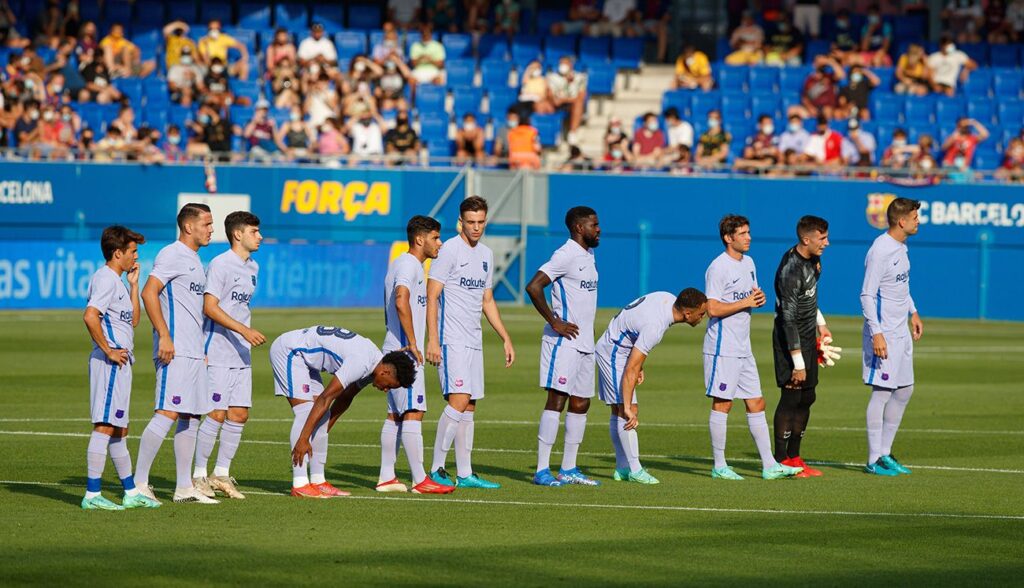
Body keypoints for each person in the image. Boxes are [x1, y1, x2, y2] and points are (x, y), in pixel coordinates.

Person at [424, 196, 516, 489]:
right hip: (452, 340)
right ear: (460, 222)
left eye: (481, 222)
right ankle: (436, 468)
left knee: (470, 406)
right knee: (459, 400)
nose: (476, 228)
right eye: (471, 222)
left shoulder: (486, 254)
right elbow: (432, 295)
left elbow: (486, 299)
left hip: (474, 340)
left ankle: (465, 474)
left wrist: (505, 337)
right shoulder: (449, 250)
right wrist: (433, 341)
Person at [704, 216, 803, 481]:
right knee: (723, 404)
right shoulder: (718, 267)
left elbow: (749, 296)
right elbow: (711, 308)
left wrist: (756, 298)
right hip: (723, 347)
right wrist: (745, 301)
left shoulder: (749, 263)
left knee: (757, 402)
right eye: (743, 233)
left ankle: (769, 465)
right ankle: (719, 465)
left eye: (749, 232)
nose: (749, 237)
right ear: (728, 237)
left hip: (743, 346)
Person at [134, 203, 217, 504]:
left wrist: (202, 348)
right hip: (175, 351)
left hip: (194, 352)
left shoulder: (195, 259)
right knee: (167, 412)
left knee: (191, 416)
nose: (211, 229)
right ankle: (139, 484)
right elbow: (148, 292)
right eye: (206, 223)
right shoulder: (171, 254)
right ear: (188, 226)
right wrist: (165, 336)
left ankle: (184, 487)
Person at [282, 326, 417, 497]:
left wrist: (323, 429)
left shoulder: (374, 364)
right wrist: (304, 439)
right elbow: (326, 398)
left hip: (306, 359)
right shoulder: (361, 363)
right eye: (389, 385)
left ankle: (318, 481)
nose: (386, 390)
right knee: (306, 412)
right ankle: (300, 483)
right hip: (291, 352)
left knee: (321, 416)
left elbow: (346, 397)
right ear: (386, 372)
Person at [81, 225, 161, 510]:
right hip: (109, 364)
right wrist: (108, 350)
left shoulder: (118, 281)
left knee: (119, 430)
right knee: (104, 427)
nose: (136, 257)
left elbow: (134, 321)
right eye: (132, 252)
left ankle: (129, 491)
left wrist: (134, 286)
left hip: (122, 364)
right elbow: (90, 316)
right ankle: (92, 495)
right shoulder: (104, 279)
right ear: (117, 253)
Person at [596, 288, 707, 483]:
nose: (702, 317)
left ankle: (622, 468)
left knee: (618, 409)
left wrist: (640, 365)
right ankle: (635, 470)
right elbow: (631, 368)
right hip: (614, 351)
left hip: (617, 346)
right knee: (627, 411)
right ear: (687, 313)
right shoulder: (655, 326)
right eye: (701, 313)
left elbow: (634, 324)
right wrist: (630, 406)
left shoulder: (667, 299)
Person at [525, 207, 602, 487]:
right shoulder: (565, 254)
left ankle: (568, 468)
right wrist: (554, 321)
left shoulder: (588, 254)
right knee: (557, 401)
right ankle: (542, 469)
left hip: (585, 343)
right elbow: (534, 286)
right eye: (594, 225)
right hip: (564, 342)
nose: (599, 229)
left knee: (581, 402)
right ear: (579, 228)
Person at [376, 216, 453, 495]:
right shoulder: (408, 264)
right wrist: (412, 342)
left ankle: (386, 476)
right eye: (435, 237)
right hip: (402, 351)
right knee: (413, 412)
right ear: (420, 239)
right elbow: (400, 299)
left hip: (394, 348)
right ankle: (420, 479)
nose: (439, 243)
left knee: (395, 415)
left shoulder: (404, 264)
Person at [190, 212, 265, 501]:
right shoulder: (221, 264)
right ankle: (198, 475)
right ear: (238, 234)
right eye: (254, 231)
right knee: (216, 413)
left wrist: (243, 335)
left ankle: (221, 473)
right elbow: (209, 307)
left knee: (239, 414)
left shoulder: (253, 266)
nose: (259, 236)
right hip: (218, 349)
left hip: (240, 353)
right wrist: (243, 330)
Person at [861, 198, 924, 476]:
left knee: (905, 390)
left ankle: (886, 453)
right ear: (901, 221)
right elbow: (867, 294)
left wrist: (914, 312)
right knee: (883, 392)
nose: (918, 220)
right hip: (884, 333)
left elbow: (900, 285)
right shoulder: (881, 250)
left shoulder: (901, 247)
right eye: (914, 216)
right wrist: (877, 333)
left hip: (901, 331)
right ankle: (873, 458)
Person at [772, 215, 834, 477]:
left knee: (808, 396)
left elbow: (809, 298)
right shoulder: (791, 270)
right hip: (790, 339)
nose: (827, 243)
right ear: (806, 239)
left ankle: (795, 457)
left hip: (809, 337)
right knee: (791, 397)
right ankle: (780, 459)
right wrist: (797, 363)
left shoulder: (814, 260)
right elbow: (788, 318)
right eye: (822, 239)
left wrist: (821, 324)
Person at [547, 56, 588, 141]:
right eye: (561, 63)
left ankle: (572, 133)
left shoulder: (580, 78)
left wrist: (564, 99)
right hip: (555, 103)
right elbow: (550, 93)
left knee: (578, 104)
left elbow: (581, 96)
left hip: (571, 103)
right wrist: (555, 100)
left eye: (565, 63)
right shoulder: (552, 77)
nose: (563, 65)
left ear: (571, 65)